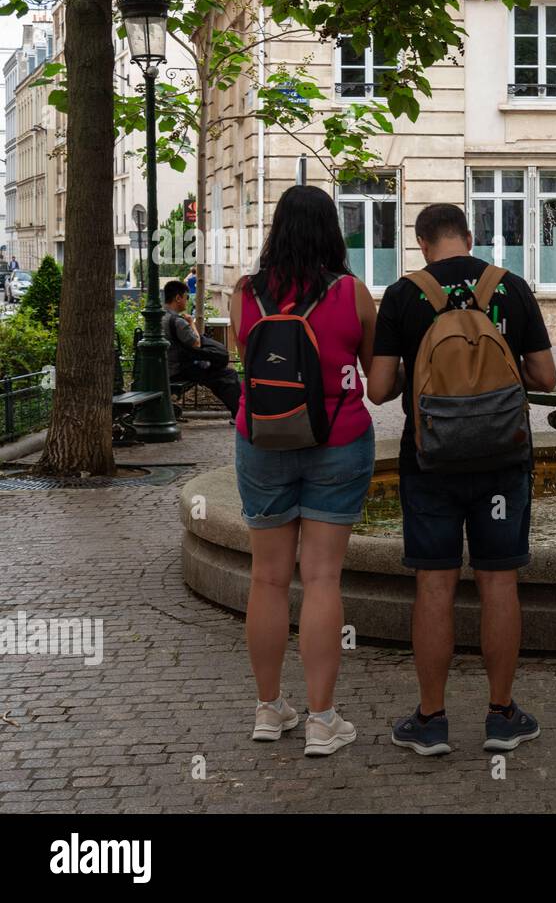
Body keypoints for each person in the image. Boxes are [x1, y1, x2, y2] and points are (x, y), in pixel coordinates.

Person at [368, 203, 556, 757]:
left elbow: (379, 390)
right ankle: (502, 717)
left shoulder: (404, 295)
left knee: (434, 584)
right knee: (499, 582)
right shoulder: (510, 287)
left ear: (422, 242)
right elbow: (545, 376)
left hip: (430, 463)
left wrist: (414, 366)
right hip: (502, 460)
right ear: (470, 238)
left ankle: (431, 720)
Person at [228, 185, 378, 757]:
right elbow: (375, 375)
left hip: (261, 439)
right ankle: (321, 720)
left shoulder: (247, 294)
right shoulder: (351, 292)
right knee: (321, 579)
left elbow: (249, 356)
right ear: (331, 230)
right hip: (338, 440)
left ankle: (269, 709)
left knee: (267, 579)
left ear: (277, 229)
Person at [162, 280, 241, 419]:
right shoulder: (177, 321)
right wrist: (191, 323)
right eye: (186, 297)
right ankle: (241, 414)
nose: (187, 301)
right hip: (179, 369)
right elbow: (196, 343)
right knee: (227, 375)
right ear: (178, 298)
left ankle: (239, 412)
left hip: (167, 367)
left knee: (218, 376)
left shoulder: (160, 316)